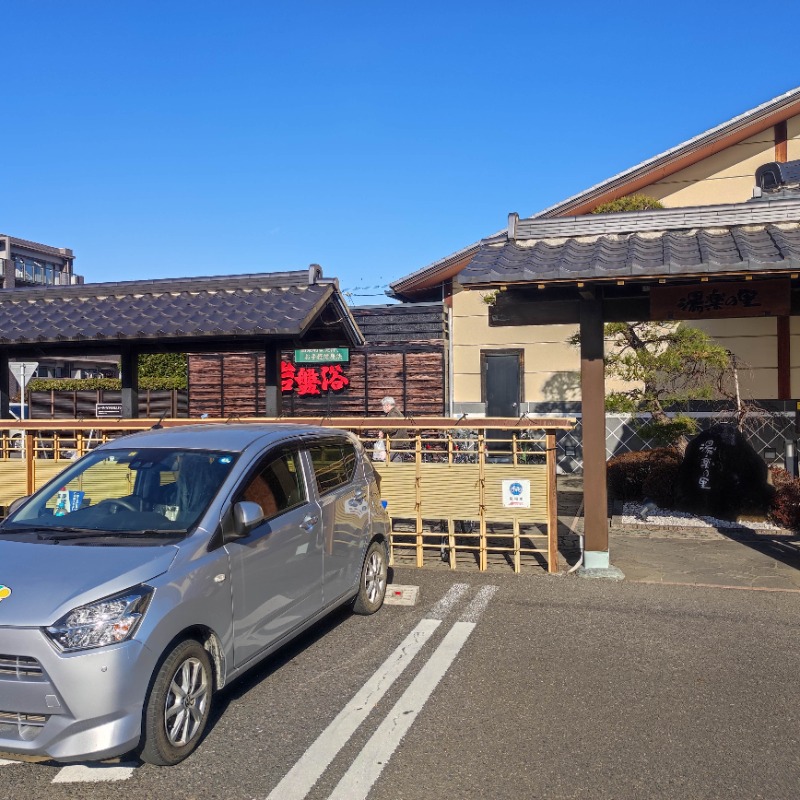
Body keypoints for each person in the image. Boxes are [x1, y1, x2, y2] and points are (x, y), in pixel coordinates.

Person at [379, 396, 410, 462]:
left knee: (386, 461)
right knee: (395, 463)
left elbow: (392, 428)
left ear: (387, 405)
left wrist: (382, 430)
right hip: (398, 443)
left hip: (396, 443)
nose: (383, 408)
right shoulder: (395, 412)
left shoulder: (393, 413)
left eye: (383, 406)